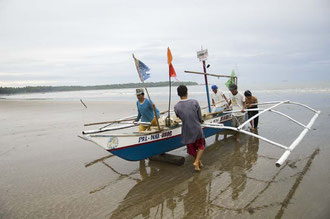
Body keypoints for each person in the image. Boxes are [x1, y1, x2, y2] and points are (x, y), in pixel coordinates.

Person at [174, 85, 205, 171]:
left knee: (191, 148)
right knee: (201, 146)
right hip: (196, 128)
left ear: (178, 94)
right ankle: (196, 162)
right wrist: (201, 121)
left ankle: (198, 162)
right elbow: (199, 117)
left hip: (186, 130)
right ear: (187, 92)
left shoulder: (176, 107)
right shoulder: (194, 102)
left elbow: (179, 116)